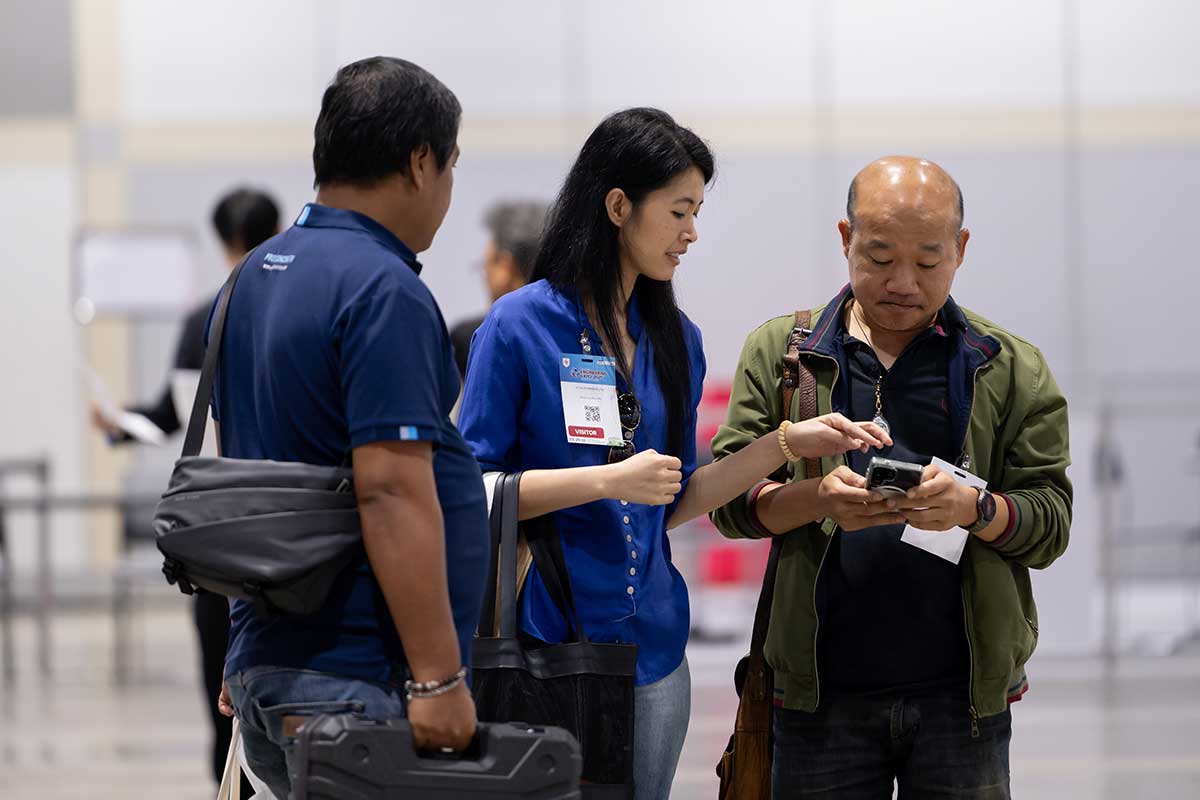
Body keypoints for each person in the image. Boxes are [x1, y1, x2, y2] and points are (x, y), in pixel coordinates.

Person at [457, 108, 889, 800]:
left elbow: (677, 497)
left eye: (697, 213)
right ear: (618, 207)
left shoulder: (676, 339)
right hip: (547, 643)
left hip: (656, 651)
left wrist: (784, 443)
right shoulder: (519, 325)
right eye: (679, 211)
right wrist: (604, 483)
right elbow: (471, 489)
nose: (692, 232)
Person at [709, 156, 1072, 799]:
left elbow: (1050, 524)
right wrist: (814, 499)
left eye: (928, 261)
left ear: (961, 249)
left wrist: (974, 509)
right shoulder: (787, 355)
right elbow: (729, 501)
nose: (902, 282)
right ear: (845, 239)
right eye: (878, 257)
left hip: (962, 701)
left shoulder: (1009, 367)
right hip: (819, 699)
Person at [211, 57, 487, 799]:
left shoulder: (250, 276)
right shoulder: (380, 288)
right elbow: (391, 490)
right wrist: (438, 678)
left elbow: (241, 485)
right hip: (354, 675)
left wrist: (244, 642)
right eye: (451, 168)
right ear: (420, 162)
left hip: (270, 665)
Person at [91, 186, 279, 790]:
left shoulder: (211, 315)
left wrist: (118, 425)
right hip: (300, 517)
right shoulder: (308, 305)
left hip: (222, 522)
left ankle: (227, 780)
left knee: (222, 669)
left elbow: (175, 413)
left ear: (225, 240)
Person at [449, 200, 548, 377]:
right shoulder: (576, 335)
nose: (484, 275)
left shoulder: (470, 341)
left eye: (485, 265)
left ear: (505, 267)